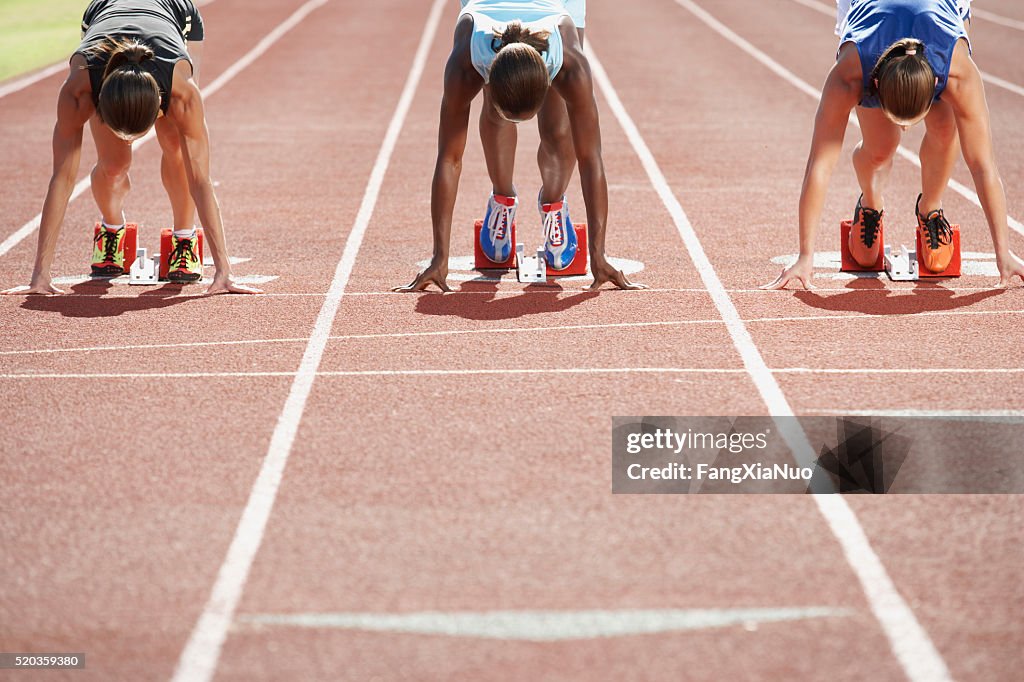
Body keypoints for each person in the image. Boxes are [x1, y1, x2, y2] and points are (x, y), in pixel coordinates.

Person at [2, 0, 258, 296]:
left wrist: (224, 271)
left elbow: (200, 178)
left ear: (159, 105)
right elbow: (62, 178)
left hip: (175, 15)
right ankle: (112, 230)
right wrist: (39, 275)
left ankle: (184, 238)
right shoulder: (79, 88)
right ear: (100, 103)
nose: (130, 141)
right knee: (113, 165)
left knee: (176, 142)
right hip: (104, 13)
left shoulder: (181, 93)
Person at [764, 0, 1024, 290]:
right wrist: (805, 254)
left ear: (936, 82)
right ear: (874, 87)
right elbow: (820, 163)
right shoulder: (850, 74)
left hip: (939, 17)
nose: (905, 128)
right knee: (881, 147)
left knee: (945, 126)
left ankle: (931, 210)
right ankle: (870, 204)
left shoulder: (956, 72)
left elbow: (982, 164)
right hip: (871, 21)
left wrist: (1004, 253)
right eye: (898, 118)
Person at [395, 0, 644, 292]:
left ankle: (554, 205)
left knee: (559, 123)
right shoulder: (467, 60)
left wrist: (598, 256)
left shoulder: (570, 65)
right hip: (487, 11)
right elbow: (449, 158)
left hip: (555, 6)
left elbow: (590, 157)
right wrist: (440, 257)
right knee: (497, 117)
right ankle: (502, 200)